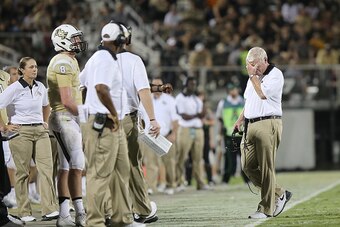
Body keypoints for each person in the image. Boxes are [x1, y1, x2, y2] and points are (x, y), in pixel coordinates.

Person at [79, 21, 144, 227]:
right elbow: (100, 87)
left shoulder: (102, 58)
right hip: (104, 123)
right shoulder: (104, 59)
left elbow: (82, 85)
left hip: (108, 123)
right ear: (120, 39)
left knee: (120, 171)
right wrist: (112, 114)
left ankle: (122, 218)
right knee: (99, 175)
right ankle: (95, 222)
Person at [233, 47, 292, 219]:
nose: (253, 69)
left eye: (255, 65)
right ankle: (279, 193)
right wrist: (239, 120)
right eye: (249, 65)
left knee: (267, 168)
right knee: (247, 166)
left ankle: (266, 209)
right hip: (250, 124)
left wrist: (252, 76)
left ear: (265, 60)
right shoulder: (253, 79)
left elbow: (262, 94)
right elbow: (249, 100)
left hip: (268, 122)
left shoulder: (276, 75)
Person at [0, 57, 58, 222]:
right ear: (22, 70)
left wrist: (45, 121)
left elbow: (46, 105)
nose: (35, 69)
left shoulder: (40, 86)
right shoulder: (14, 88)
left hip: (40, 130)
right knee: (22, 173)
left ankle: (50, 209)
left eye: (36, 66)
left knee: (46, 170)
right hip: (21, 132)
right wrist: (4, 126)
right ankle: (24, 212)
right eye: (31, 67)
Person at [115, 22, 160, 224]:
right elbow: (143, 90)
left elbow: (82, 86)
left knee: (107, 166)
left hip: (101, 120)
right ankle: (142, 208)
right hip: (126, 119)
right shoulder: (133, 60)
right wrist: (151, 118)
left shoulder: (97, 60)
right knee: (132, 164)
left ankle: (108, 210)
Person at [47, 24, 87, 227]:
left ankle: (64, 215)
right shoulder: (62, 61)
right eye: (74, 39)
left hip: (67, 117)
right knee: (77, 165)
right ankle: (80, 212)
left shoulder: (69, 59)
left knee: (65, 167)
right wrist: (87, 113)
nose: (78, 42)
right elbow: (66, 99)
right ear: (62, 40)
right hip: (64, 117)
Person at [141, 77, 179, 195]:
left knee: (169, 162)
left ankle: (171, 184)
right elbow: (141, 117)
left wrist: (174, 133)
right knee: (150, 163)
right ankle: (151, 186)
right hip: (150, 136)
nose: (157, 88)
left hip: (166, 135)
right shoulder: (146, 99)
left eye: (159, 85)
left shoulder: (170, 100)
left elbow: (175, 120)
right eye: (155, 85)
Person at [175, 76, 210, 191]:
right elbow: (184, 116)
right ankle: (179, 182)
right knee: (182, 156)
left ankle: (200, 182)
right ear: (185, 84)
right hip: (185, 129)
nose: (193, 86)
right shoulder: (180, 98)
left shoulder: (196, 99)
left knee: (198, 158)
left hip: (198, 129)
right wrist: (196, 115)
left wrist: (204, 101)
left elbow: (203, 114)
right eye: (191, 84)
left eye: (194, 84)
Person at [216, 83, 249, 184]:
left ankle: (247, 179)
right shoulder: (223, 103)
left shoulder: (244, 101)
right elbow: (220, 119)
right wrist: (220, 134)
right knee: (230, 159)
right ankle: (225, 179)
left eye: (234, 89)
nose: (233, 91)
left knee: (245, 159)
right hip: (229, 135)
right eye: (231, 89)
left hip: (241, 134)